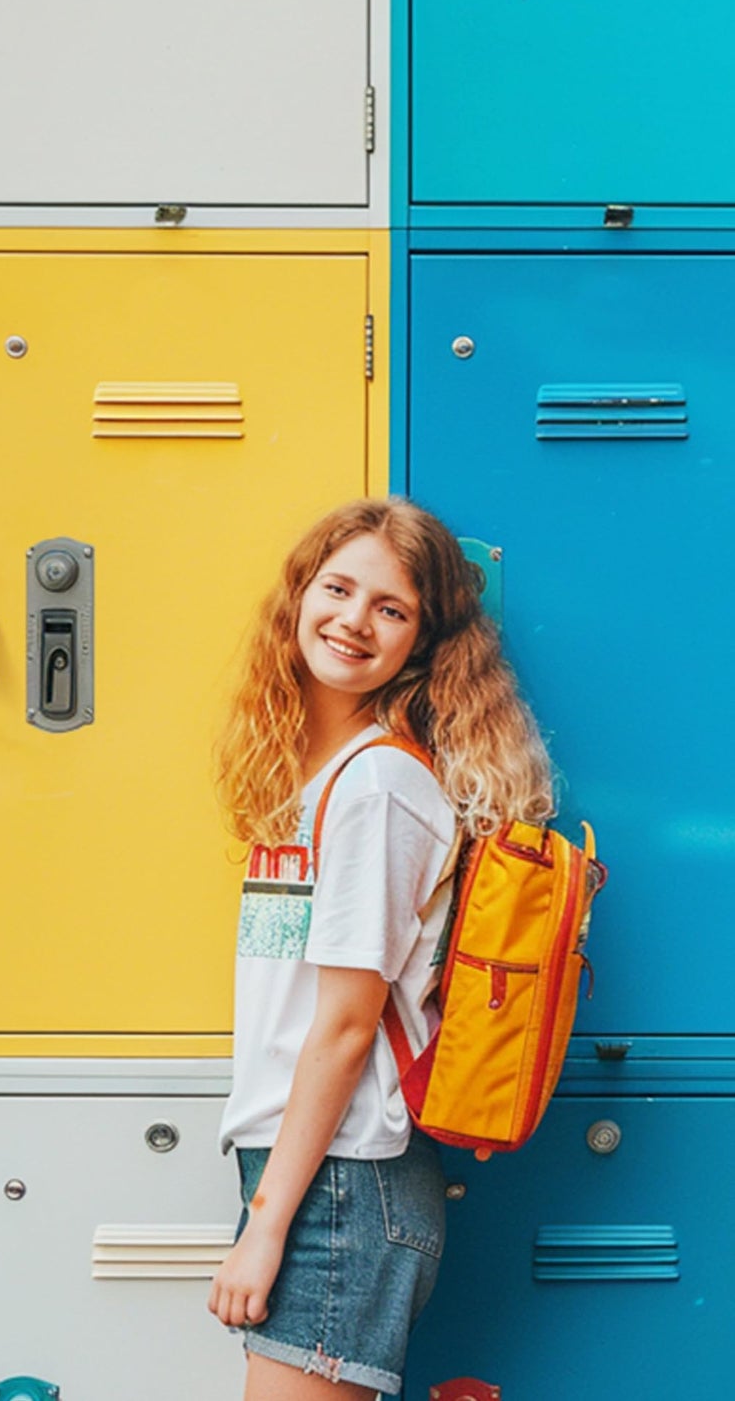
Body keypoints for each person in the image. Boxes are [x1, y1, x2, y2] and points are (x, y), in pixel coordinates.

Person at [206, 497, 554, 1399]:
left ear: (422, 643)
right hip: (310, 1172)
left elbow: (346, 1027)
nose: (353, 621)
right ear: (297, 598)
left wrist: (267, 1224)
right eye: (337, 588)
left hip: (339, 1186)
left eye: (390, 608)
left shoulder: (379, 787)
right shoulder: (318, 781)